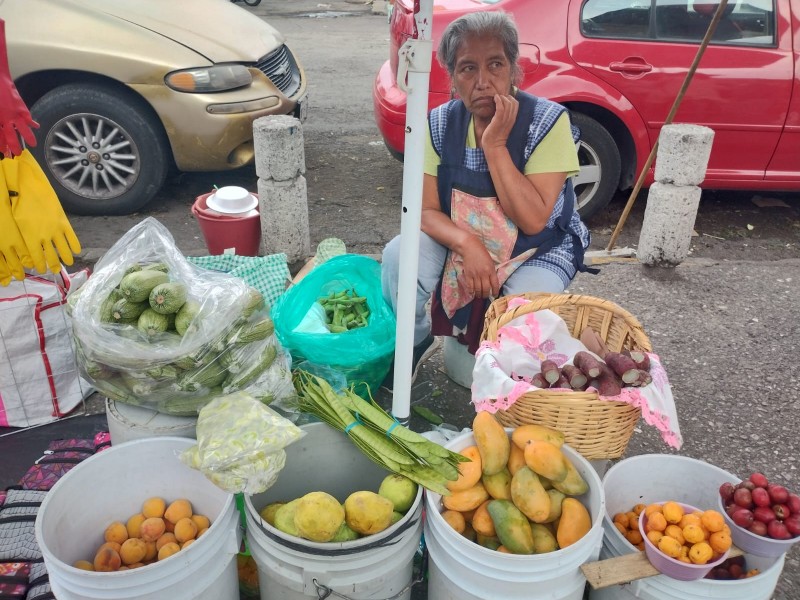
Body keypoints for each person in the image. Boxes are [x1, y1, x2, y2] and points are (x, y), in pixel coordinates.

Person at [381, 11, 595, 388]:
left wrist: (495, 145)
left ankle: (508, 383)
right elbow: (425, 210)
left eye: (495, 64)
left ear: (514, 70)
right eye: (467, 69)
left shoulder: (548, 123)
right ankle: (413, 341)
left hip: (537, 246)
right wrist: (467, 244)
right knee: (401, 256)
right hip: (467, 234)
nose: (483, 82)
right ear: (451, 80)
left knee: (525, 311)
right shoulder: (439, 123)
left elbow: (533, 221)